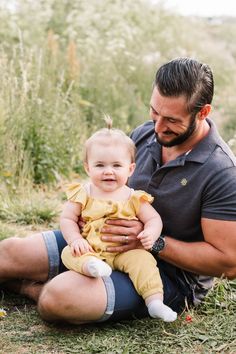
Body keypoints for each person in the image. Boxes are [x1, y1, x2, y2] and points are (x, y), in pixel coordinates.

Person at [0, 57, 236, 324]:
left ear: (203, 112)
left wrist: (153, 242)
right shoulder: (145, 134)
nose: (157, 127)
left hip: (168, 273)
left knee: (58, 298)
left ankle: (31, 287)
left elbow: (228, 263)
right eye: (154, 112)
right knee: (8, 254)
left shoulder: (222, 173)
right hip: (98, 239)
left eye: (171, 120)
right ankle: (62, 276)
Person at [60, 118, 177, 322]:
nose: (108, 171)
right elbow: (67, 219)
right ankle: (91, 267)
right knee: (68, 253)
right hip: (91, 249)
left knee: (145, 262)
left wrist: (150, 233)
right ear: (88, 168)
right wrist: (75, 240)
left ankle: (155, 301)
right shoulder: (84, 192)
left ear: (130, 169)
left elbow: (153, 219)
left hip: (126, 251)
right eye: (100, 165)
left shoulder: (134, 197)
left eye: (116, 165)